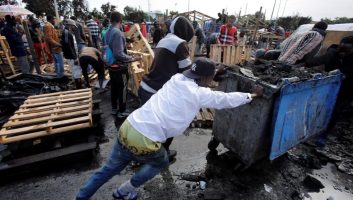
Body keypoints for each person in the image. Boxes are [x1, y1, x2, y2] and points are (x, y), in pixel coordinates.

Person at [75, 58, 263, 200]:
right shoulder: (199, 94)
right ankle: (123, 191)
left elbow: (199, 77)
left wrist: (214, 72)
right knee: (160, 162)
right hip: (144, 139)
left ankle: (81, 197)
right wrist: (252, 95)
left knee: (107, 170)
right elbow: (225, 99)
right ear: (206, 78)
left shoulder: (176, 78)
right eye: (211, 77)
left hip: (129, 126)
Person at [138, 16, 195, 160]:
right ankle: (162, 154)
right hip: (158, 92)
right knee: (173, 124)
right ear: (186, 32)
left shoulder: (164, 40)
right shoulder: (180, 43)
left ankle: (145, 153)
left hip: (146, 87)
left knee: (151, 127)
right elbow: (188, 72)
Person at [306, 35, 353, 146]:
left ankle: (324, 134)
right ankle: (314, 129)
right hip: (330, 87)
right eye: (342, 49)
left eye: (347, 50)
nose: (343, 53)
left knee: (336, 111)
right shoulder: (333, 53)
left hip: (347, 90)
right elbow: (316, 62)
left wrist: (345, 75)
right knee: (322, 108)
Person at [105, 12, 141, 118]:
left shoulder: (108, 32)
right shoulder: (118, 33)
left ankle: (114, 108)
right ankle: (122, 111)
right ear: (120, 21)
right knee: (123, 89)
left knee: (114, 88)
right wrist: (133, 58)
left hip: (111, 66)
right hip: (120, 67)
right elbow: (119, 53)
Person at [61, 19, 82, 88]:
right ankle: (79, 87)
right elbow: (68, 46)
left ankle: (77, 86)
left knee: (74, 71)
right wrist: (75, 57)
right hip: (71, 56)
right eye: (73, 26)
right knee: (76, 71)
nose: (73, 28)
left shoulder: (67, 32)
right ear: (70, 25)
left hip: (70, 55)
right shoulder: (67, 33)